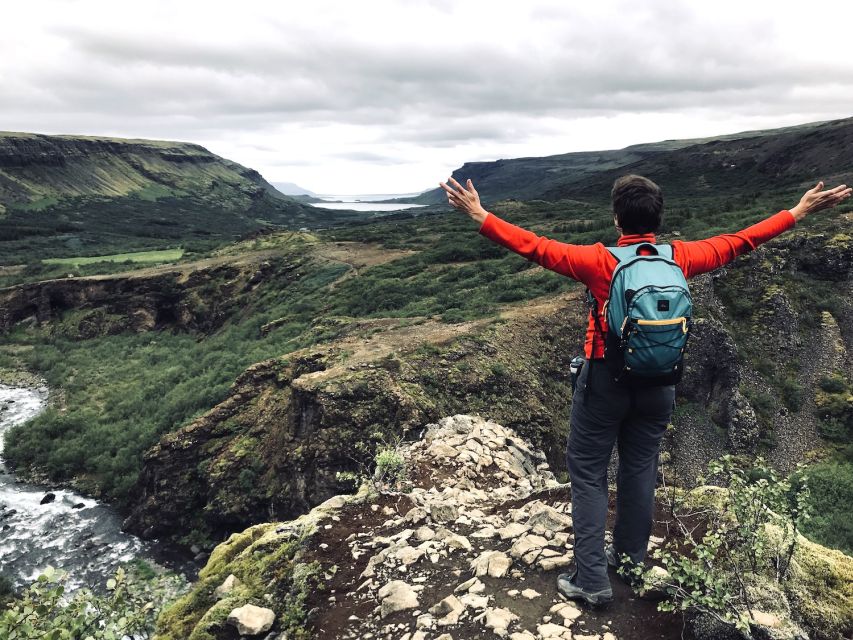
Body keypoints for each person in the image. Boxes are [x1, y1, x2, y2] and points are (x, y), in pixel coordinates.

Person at [440, 174, 851, 605]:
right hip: (660, 385)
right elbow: (742, 240)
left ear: (617, 218)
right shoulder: (681, 257)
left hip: (604, 382)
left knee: (588, 474)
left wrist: (480, 215)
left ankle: (591, 580)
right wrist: (798, 212)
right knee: (639, 471)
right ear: (658, 218)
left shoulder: (598, 261)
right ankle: (631, 561)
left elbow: (535, 246)